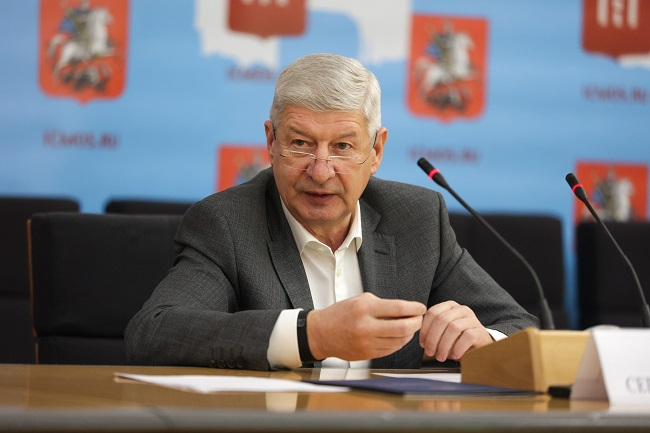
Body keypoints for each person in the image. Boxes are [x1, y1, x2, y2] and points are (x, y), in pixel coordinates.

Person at [125, 53, 538, 371]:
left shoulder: (417, 219)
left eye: (342, 146)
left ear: (376, 151)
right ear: (271, 142)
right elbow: (154, 332)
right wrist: (311, 335)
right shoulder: (228, 224)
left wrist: (483, 340)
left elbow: (521, 329)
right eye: (301, 143)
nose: (321, 171)